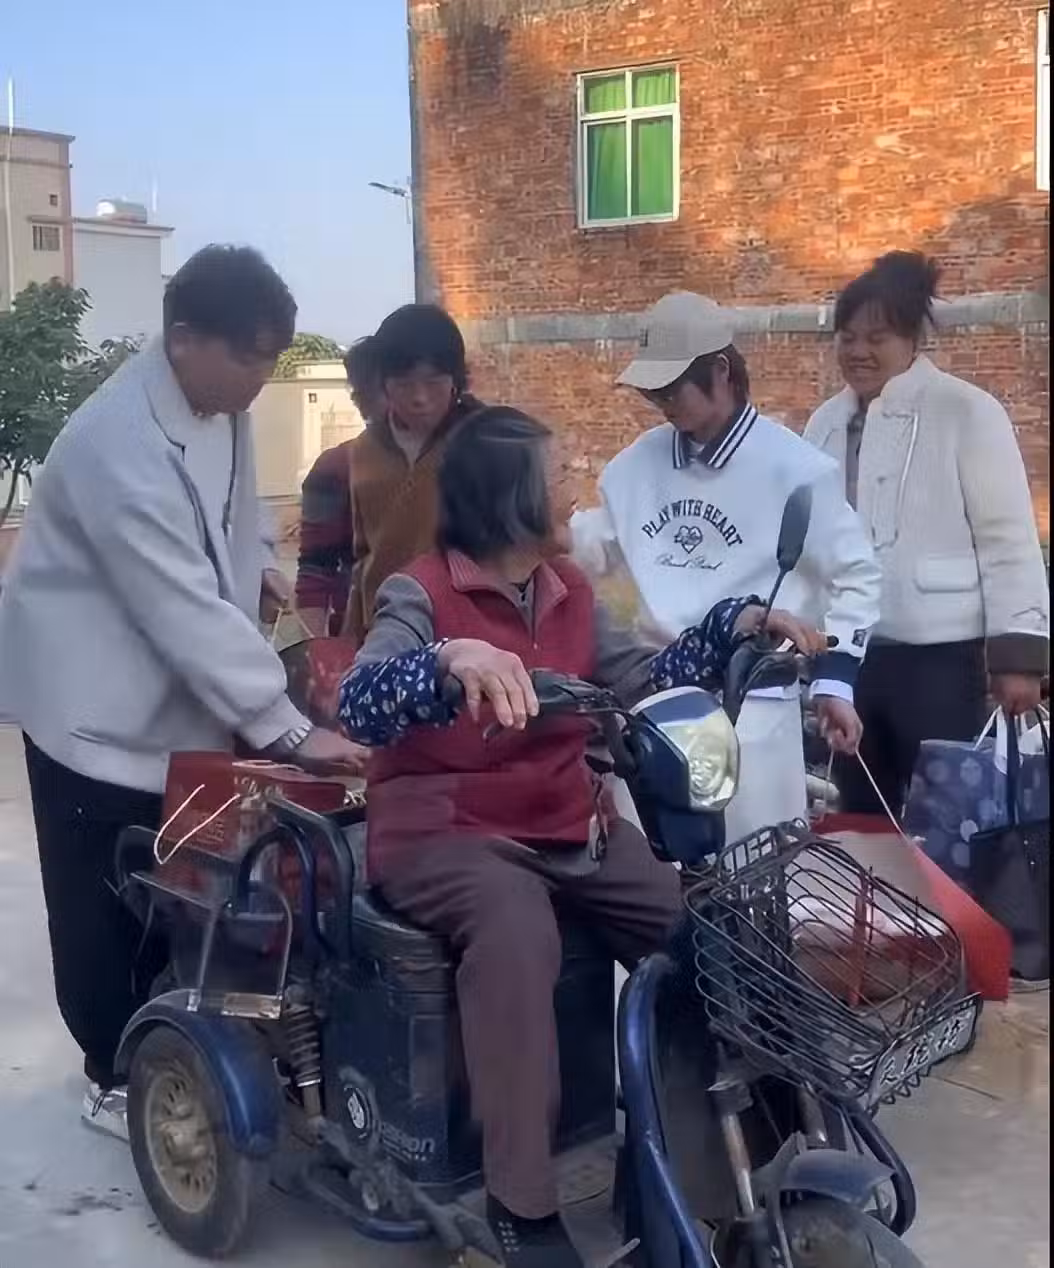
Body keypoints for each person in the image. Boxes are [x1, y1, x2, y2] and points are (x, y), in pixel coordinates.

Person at [335, 406, 826, 1268]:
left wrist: (736, 625)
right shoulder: (421, 593)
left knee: (701, 930)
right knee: (518, 936)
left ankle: (747, 1147)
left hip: (567, 819)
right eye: (557, 475)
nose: (573, 488)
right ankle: (519, 1205)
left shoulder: (566, 588)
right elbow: (360, 702)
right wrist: (448, 660)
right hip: (449, 830)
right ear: (507, 500)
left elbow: (641, 680)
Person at [0, 245, 366, 1139]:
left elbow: (234, 522)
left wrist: (264, 570)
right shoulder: (113, 443)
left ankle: (182, 1049)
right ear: (183, 337)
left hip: (175, 700)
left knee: (181, 888)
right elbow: (178, 603)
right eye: (247, 358)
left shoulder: (218, 407)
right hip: (89, 708)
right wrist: (287, 728)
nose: (258, 380)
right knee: (98, 902)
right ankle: (111, 1074)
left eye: (270, 360)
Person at [571, 292, 881, 842]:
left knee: (753, 863)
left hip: (753, 706)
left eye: (672, 388)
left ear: (721, 371)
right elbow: (597, 555)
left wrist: (836, 681)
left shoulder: (797, 471)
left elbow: (855, 575)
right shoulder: (632, 469)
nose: (662, 403)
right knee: (652, 865)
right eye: (653, 391)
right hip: (654, 699)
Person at [804, 251, 1049, 815]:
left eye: (877, 338)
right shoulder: (824, 423)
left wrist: (1018, 658)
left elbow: (1007, 538)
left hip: (939, 657)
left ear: (912, 340)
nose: (858, 351)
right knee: (859, 813)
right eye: (847, 337)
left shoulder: (966, 411)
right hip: (849, 659)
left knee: (949, 814)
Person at [341, 302, 485, 643]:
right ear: (383, 384)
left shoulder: (486, 440)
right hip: (386, 632)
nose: (420, 398)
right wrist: (350, 637)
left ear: (456, 380)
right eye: (404, 384)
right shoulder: (365, 450)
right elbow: (363, 556)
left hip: (467, 635)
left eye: (433, 382)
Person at [295, 336, 387, 636]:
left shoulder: (447, 461)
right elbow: (315, 571)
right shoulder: (335, 467)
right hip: (360, 635)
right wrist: (313, 651)